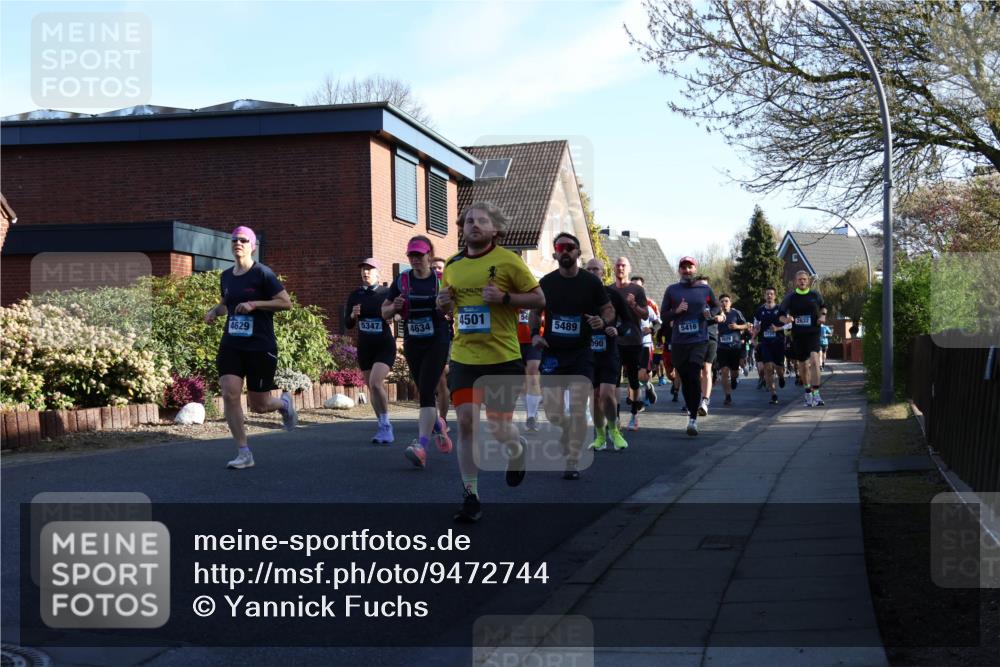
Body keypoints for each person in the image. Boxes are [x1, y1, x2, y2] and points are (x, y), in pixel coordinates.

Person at [438, 202, 545, 523]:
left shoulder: (509, 261)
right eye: (469, 220)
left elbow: (539, 299)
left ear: (495, 229)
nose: (473, 225)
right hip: (464, 358)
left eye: (481, 221)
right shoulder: (454, 265)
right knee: (467, 423)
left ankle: (517, 448)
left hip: (502, 358)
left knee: (499, 427)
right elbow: (447, 306)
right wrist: (442, 302)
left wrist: (506, 299)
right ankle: (471, 495)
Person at [204, 226, 296, 470]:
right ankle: (244, 452)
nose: (238, 243)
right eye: (234, 240)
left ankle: (284, 404)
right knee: (230, 392)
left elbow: (285, 303)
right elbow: (227, 304)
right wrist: (214, 311)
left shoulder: (263, 273)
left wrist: (255, 304)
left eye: (244, 240)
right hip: (232, 343)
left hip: (260, 345)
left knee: (260, 405)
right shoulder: (226, 276)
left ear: (253, 245)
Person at [532, 234, 615, 479]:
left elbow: (608, 309)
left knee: (578, 406)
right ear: (555, 253)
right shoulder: (546, 282)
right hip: (553, 352)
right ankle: (566, 428)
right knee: (552, 411)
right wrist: (535, 334)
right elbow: (534, 312)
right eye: (560, 247)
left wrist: (604, 320)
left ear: (578, 253)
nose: (565, 251)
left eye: (570, 247)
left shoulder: (591, 282)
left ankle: (573, 459)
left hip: (581, 352)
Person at [383, 236, 453, 468]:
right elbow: (384, 311)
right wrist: (393, 307)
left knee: (425, 390)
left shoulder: (441, 280)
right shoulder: (402, 280)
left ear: (429, 255)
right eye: (411, 255)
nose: (415, 260)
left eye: (419, 255)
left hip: (438, 339)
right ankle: (438, 425)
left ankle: (422, 446)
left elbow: (455, 309)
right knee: (421, 390)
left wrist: (445, 306)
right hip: (413, 341)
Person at [661, 256, 720, 436]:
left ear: (695, 269)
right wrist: (676, 311)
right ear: (679, 270)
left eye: (690, 267)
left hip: (699, 340)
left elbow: (717, 308)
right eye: (684, 268)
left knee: (695, 374)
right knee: (686, 379)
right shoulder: (672, 290)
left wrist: (709, 312)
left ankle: (693, 419)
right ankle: (691, 411)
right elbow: (664, 315)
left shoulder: (705, 289)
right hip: (679, 342)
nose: (687, 271)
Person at [345, 258, 396, 443]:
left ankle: (386, 426)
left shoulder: (386, 293)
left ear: (378, 273)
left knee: (375, 383)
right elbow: (347, 323)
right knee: (372, 388)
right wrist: (352, 315)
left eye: (370, 269)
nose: (365, 273)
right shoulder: (355, 295)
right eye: (363, 270)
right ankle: (382, 426)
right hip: (365, 347)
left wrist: (393, 316)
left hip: (384, 345)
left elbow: (397, 313)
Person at [583, 259, 630, 452]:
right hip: (586, 352)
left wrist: (617, 330)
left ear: (604, 273)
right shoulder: (579, 295)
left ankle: (614, 430)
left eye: (597, 269)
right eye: (589, 269)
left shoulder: (612, 295)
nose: (593, 272)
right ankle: (600, 436)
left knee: (606, 394)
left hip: (609, 350)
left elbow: (628, 322)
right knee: (594, 396)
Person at [610, 257, 649, 430]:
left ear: (629, 268)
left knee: (633, 380)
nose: (620, 268)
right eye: (618, 265)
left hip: (633, 340)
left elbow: (645, 315)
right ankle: (616, 416)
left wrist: (633, 305)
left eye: (623, 265)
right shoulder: (609, 289)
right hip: (614, 340)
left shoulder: (637, 290)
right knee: (614, 381)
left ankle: (634, 415)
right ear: (614, 268)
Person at [779, 271, 827, 406]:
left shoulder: (814, 295)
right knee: (803, 365)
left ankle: (816, 394)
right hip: (798, 335)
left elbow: (823, 307)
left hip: (813, 332)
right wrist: (786, 319)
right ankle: (807, 393)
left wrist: (823, 316)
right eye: (800, 279)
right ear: (795, 281)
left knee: (815, 360)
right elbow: (780, 315)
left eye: (805, 279)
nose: (802, 281)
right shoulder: (790, 297)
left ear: (808, 281)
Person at [694, 276, 724, 416]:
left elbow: (722, 315)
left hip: (711, 337)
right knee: (697, 372)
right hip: (695, 339)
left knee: (707, 368)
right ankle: (696, 398)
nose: (703, 289)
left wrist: (719, 317)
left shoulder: (713, 302)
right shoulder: (692, 301)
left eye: (705, 286)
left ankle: (705, 401)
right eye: (699, 286)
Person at [753, 287, 787, 405]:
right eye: (767, 294)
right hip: (765, 343)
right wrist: (754, 335)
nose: (769, 296)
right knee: (768, 367)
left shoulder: (780, 309)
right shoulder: (759, 311)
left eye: (771, 294)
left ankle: (781, 376)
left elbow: (789, 325)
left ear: (775, 296)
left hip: (778, 342)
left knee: (778, 367)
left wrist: (778, 328)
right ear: (764, 296)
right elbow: (756, 326)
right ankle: (773, 394)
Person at [716, 294, 749, 405]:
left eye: (726, 301)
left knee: (734, 372)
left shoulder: (736, 313)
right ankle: (728, 396)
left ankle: (734, 379)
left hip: (735, 347)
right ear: (719, 303)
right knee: (724, 371)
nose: (724, 303)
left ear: (730, 303)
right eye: (722, 301)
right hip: (722, 348)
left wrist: (737, 327)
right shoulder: (717, 314)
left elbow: (747, 325)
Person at [431, 256, 452, 433]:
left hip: (448, 337)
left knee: (440, 378)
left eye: (439, 268)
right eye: (434, 267)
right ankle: (432, 417)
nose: (436, 271)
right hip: (427, 338)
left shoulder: (450, 287)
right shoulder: (425, 286)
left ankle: (442, 420)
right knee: (432, 381)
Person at [516, 306, 543, 432]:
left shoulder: (539, 291)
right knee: (522, 381)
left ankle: (531, 416)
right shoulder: (510, 290)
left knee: (532, 372)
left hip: (534, 339)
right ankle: (530, 411)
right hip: (514, 340)